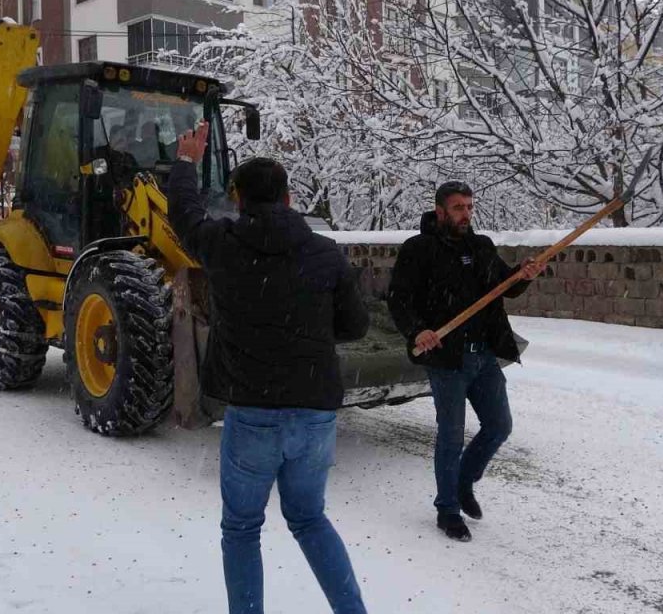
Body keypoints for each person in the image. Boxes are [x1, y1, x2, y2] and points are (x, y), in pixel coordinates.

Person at [168, 121, 370, 614]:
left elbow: (185, 216)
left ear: (237, 200)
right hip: (314, 413)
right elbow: (355, 325)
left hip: (252, 412)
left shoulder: (222, 244)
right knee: (310, 519)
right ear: (289, 198)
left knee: (241, 528)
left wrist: (186, 163)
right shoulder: (325, 252)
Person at [387, 181, 546, 542]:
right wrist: (417, 331)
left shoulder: (481, 246)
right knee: (451, 436)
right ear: (440, 211)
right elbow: (398, 298)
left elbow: (504, 285)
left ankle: (463, 481)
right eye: (458, 207)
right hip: (447, 357)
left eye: (470, 207)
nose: (466, 214)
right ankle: (447, 510)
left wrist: (522, 275)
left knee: (499, 425)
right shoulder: (419, 249)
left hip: (484, 353)